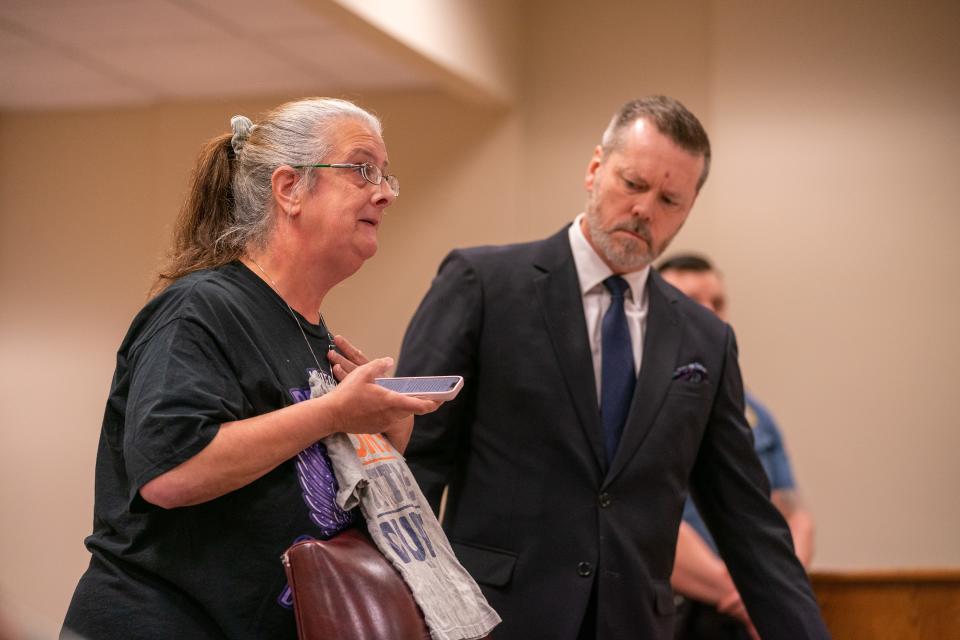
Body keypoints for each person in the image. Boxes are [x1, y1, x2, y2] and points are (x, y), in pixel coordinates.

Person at [396, 96, 829, 639]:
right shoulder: (483, 284)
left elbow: (747, 519)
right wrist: (399, 608)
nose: (646, 209)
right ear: (595, 169)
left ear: (689, 209)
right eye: (633, 184)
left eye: (670, 198)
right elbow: (414, 462)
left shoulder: (705, 338)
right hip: (497, 619)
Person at [62, 98, 442, 639]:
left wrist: (383, 438)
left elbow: (301, 490)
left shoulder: (306, 329)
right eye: (362, 169)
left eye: (385, 175)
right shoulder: (200, 307)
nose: (382, 191)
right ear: (289, 188)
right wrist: (334, 412)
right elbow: (170, 472)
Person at [658, 253, 815, 639]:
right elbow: (643, 525)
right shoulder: (631, 407)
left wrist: (776, 595)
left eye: (718, 302)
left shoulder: (752, 412)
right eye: (694, 301)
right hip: (672, 610)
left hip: (750, 616)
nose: (710, 313)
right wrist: (750, 594)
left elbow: (793, 516)